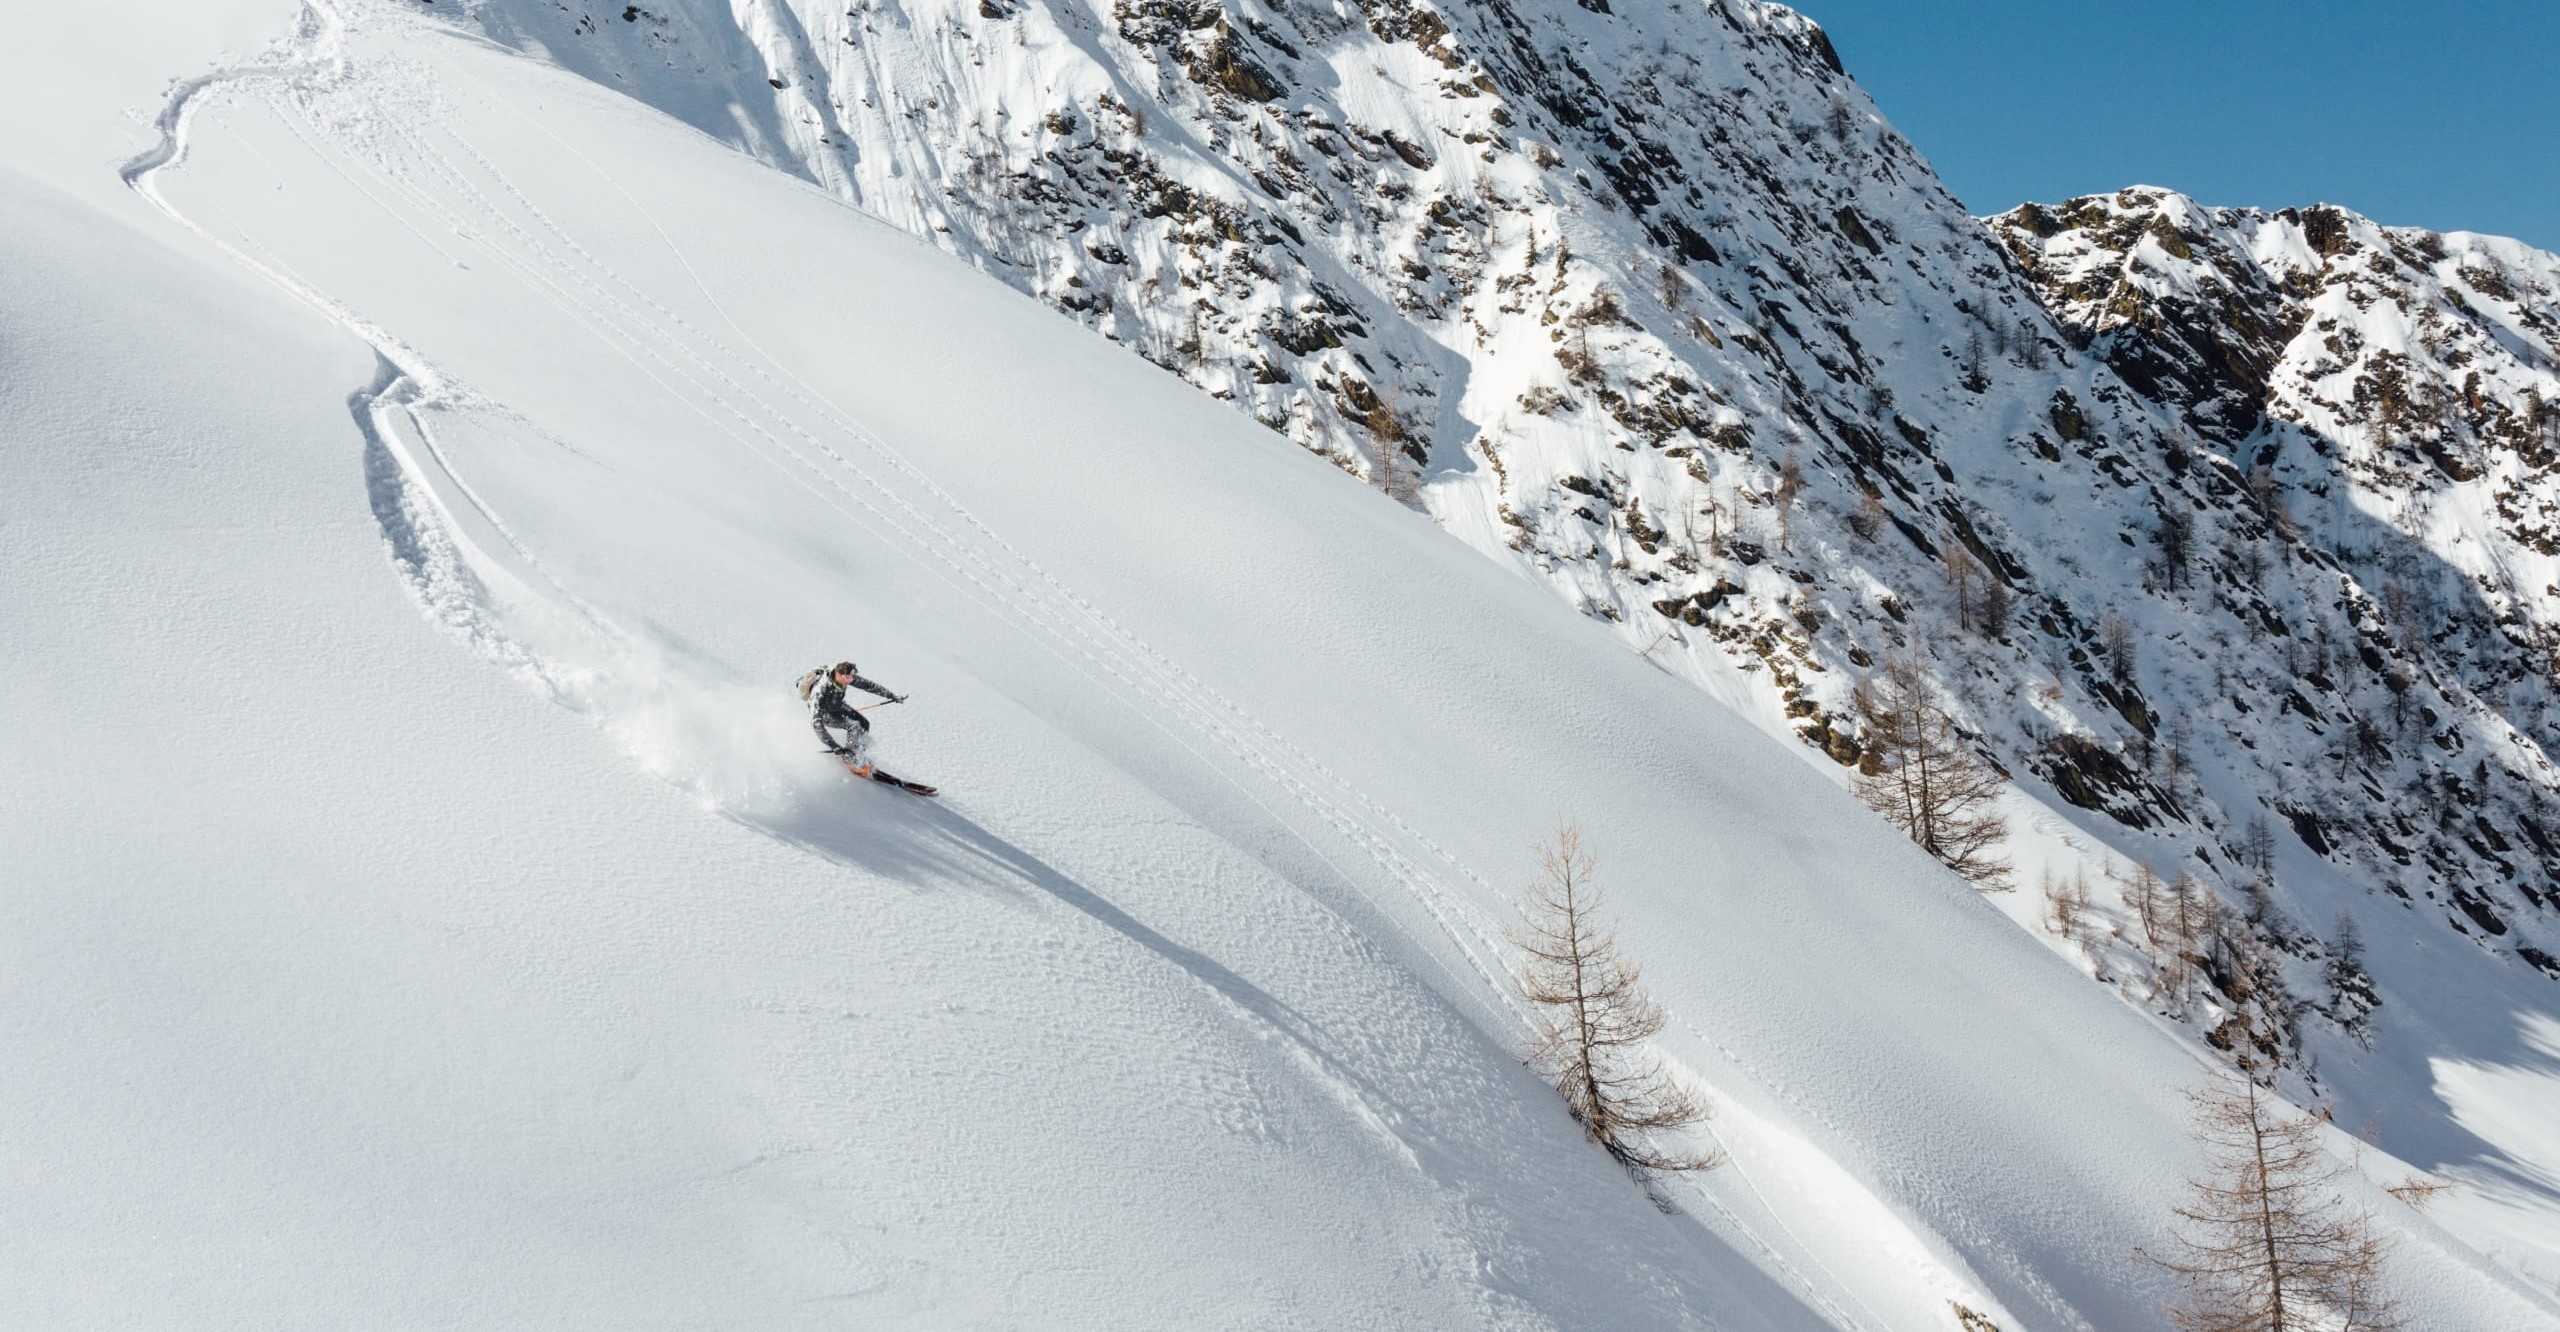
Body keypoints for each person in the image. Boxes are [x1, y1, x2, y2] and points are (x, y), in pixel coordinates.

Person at [810, 660, 905, 774]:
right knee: (854, 725)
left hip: (837, 705)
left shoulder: (846, 676)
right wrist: (833, 745)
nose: (850, 680)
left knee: (864, 723)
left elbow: (869, 685)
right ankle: (850, 759)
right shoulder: (820, 690)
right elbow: (816, 723)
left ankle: (858, 753)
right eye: (848, 677)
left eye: (852, 677)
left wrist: (891, 695)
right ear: (839, 674)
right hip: (824, 714)